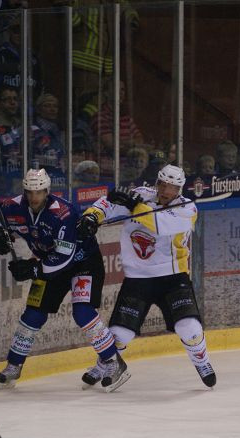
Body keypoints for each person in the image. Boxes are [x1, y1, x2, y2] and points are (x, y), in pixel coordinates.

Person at [0, 168, 129, 391]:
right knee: (32, 315)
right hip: (46, 264)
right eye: (30, 192)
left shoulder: (63, 214)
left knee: (83, 312)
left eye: (38, 192)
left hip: (82, 263)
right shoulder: (12, 206)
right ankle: (14, 365)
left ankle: (114, 363)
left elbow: (63, 257)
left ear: (47, 191)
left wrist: (33, 269)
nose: (33, 197)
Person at [76, 164, 216, 388]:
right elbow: (107, 205)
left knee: (188, 327)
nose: (166, 191)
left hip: (173, 277)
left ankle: (202, 361)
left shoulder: (188, 209)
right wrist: (92, 216)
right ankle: (106, 363)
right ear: (157, 182)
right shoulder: (141, 196)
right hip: (137, 279)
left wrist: (134, 206)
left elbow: (161, 225)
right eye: (163, 184)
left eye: (172, 187)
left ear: (179, 188)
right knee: (120, 334)